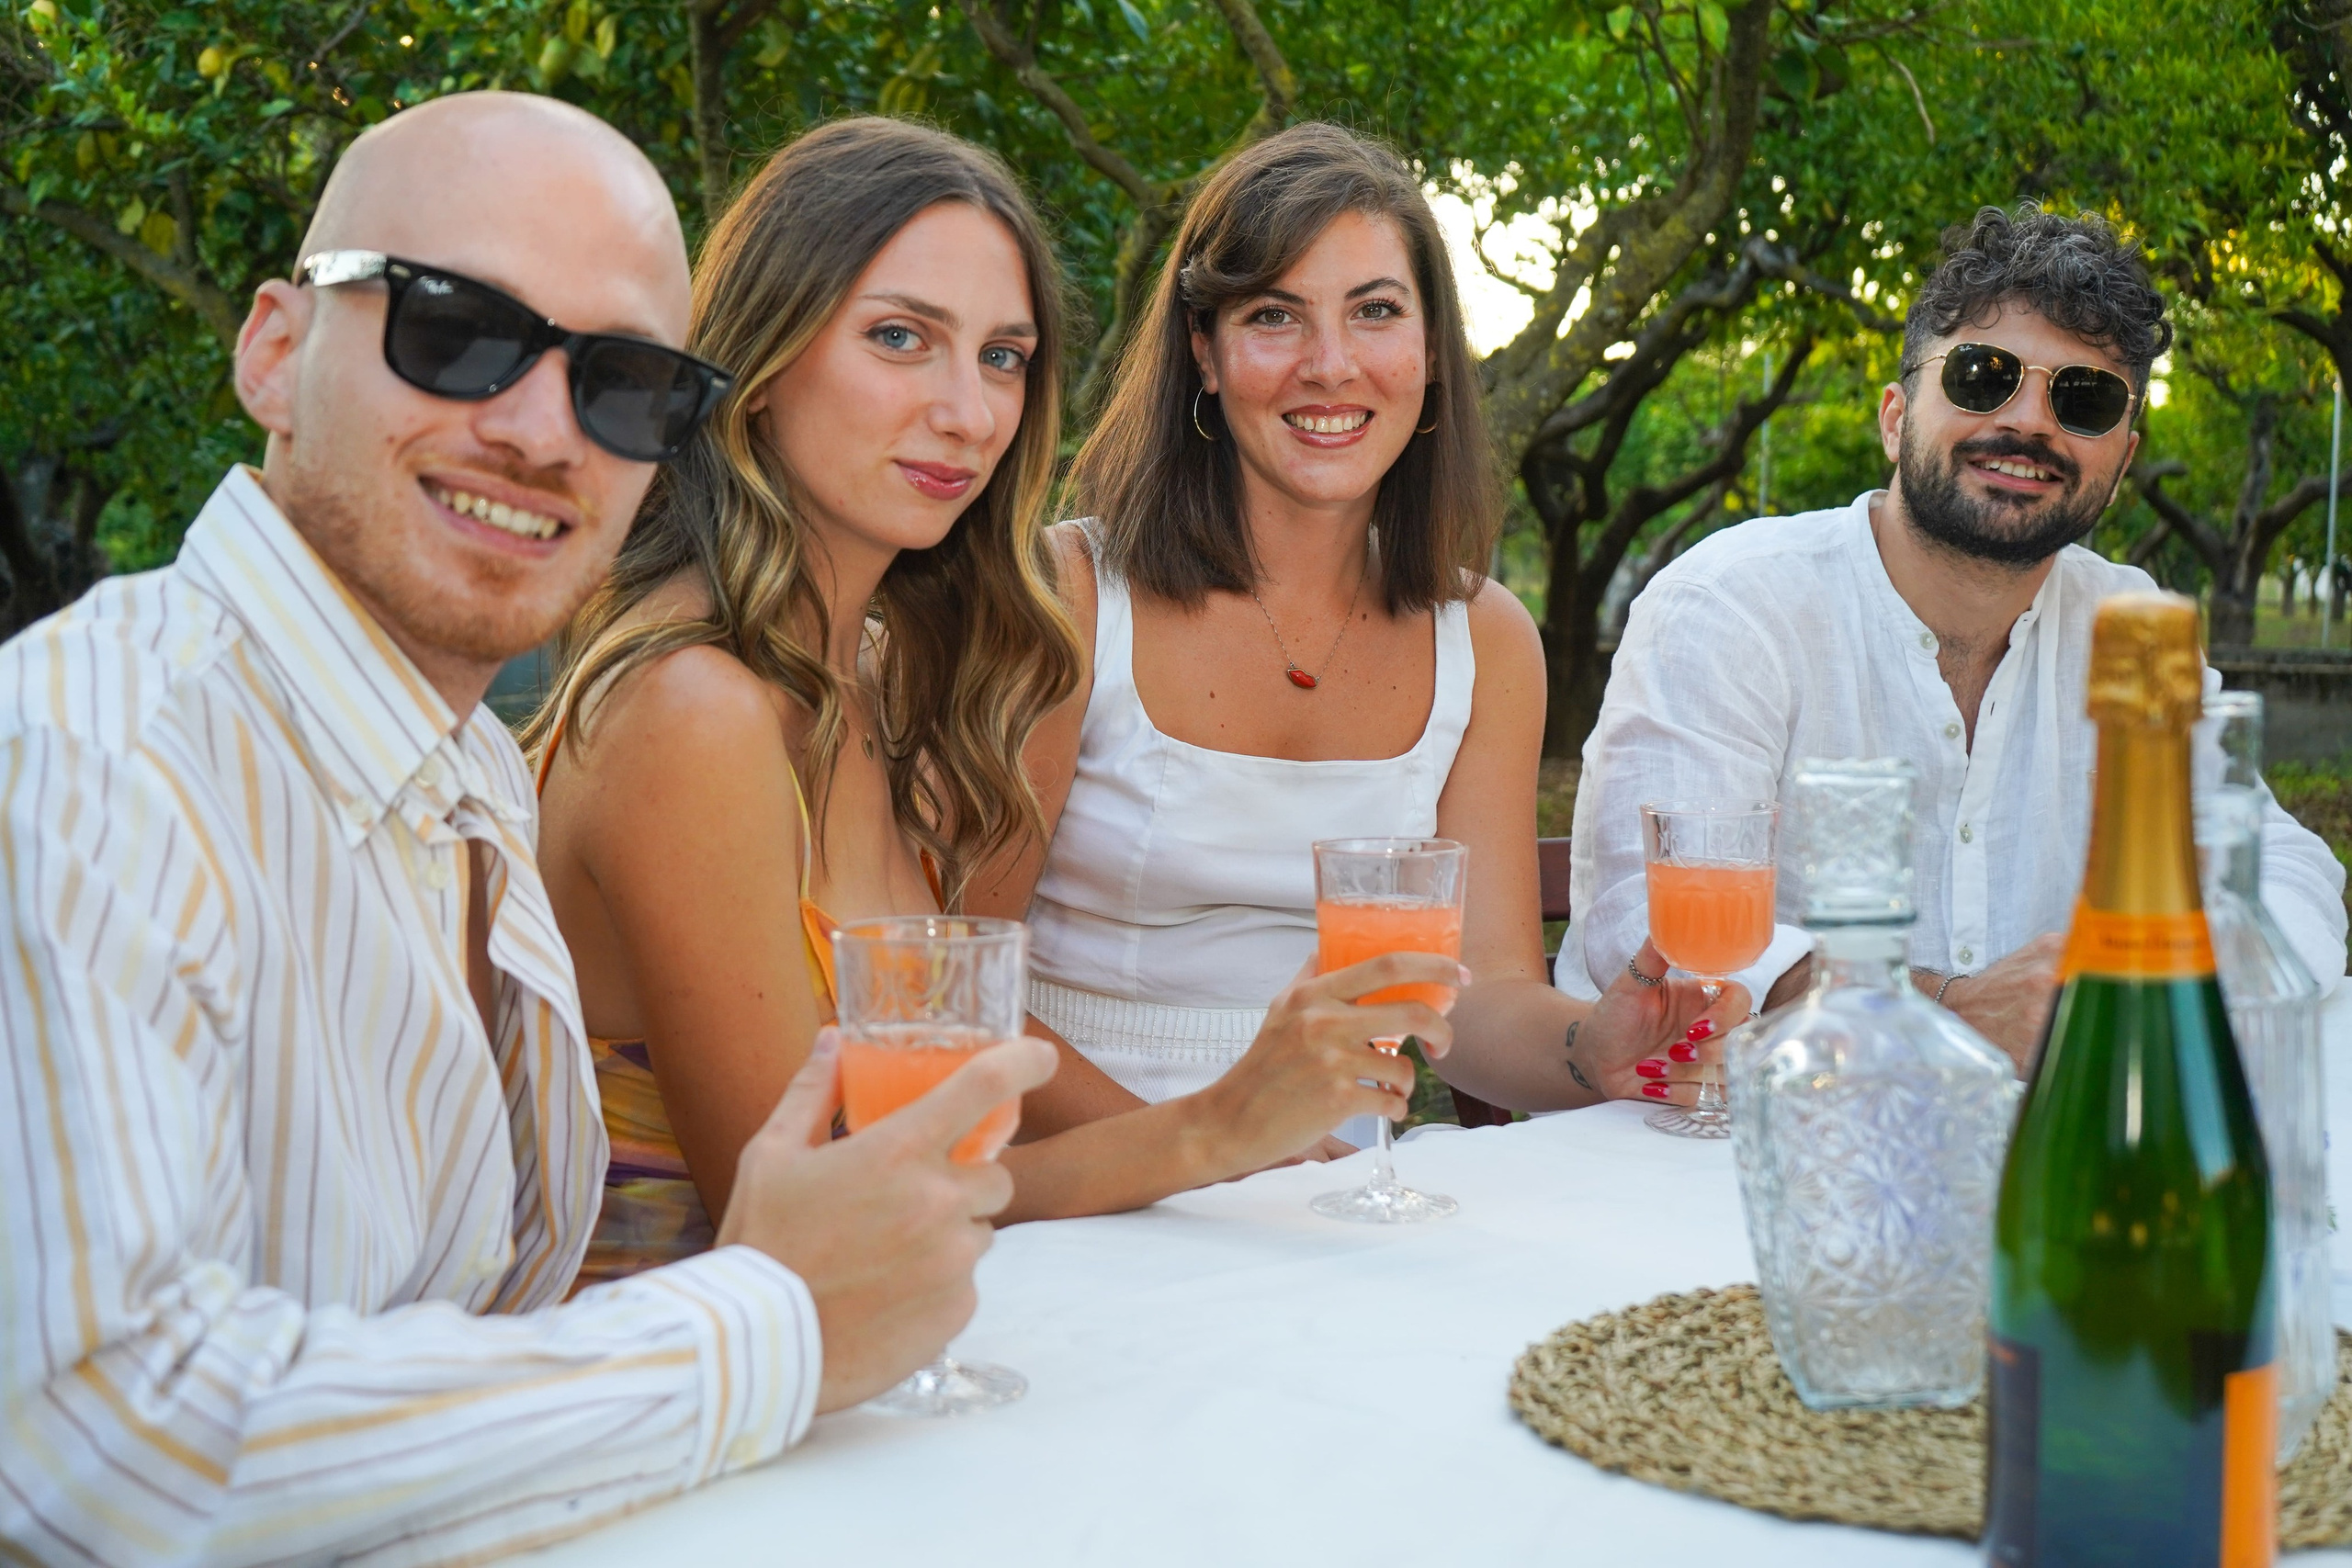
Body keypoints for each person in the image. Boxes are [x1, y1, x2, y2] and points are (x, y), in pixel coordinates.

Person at [0, 94, 1057, 1568]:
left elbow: (480, 1321)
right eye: (455, 329)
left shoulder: (465, 770)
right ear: (274, 348)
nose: (540, 429)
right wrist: (762, 1322)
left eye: (621, 383)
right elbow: (102, 1447)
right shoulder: (88, 757)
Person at [530, 117, 1486, 1248]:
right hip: (684, 1380)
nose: (968, 412)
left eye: (1002, 357)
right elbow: (810, 1220)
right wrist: (1212, 1133)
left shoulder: (871, 679)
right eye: (899, 337)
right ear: (763, 359)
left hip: (880, 1342)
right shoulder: (692, 706)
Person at [967, 121, 1737, 1125]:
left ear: (1427, 354)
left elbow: (1489, 996)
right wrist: (1202, 1150)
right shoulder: (1071, 596)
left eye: (1374, 312)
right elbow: (964, 986)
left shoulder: (1486, 639)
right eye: (1274, 317)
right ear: (1203, 353)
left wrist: (1591, 1048)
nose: (1329, 365)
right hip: (1083, 1178)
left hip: (1343, 1193)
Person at [1561, 204, 2348, 1068]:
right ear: (1896, 419)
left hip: (2038, 1149)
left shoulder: (2133, 626)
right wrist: (1943, 1012)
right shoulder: (1732, 605)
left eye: (2084, 401)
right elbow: (1648, 925)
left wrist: (2175, 995)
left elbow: (2283, 866)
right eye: (1983, 376)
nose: (2031, 425)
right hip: (1715, 1148)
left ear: (2122, 462)